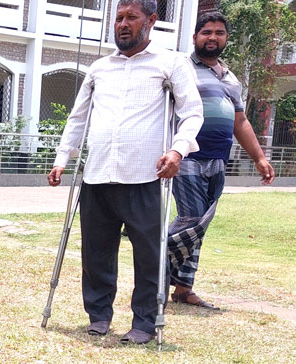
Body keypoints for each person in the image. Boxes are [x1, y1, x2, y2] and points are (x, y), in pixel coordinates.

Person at [47, 0, 203, 345]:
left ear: (151, 20)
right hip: (97, 175)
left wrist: (178, 149)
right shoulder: (100, 68)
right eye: (118, 18)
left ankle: (145, 323)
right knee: (96, 253)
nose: (122, 24)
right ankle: (99, 316)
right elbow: (78, 118)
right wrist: (62, 159)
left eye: (131, 17)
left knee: (148, 255)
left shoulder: (171, 63)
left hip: (145, 177)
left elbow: (192, 112)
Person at [169, 11, 275, 310]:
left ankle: (183, 288)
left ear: (226, 39)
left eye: (218, 32)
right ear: (195, 37)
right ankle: (154, 269)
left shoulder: (230, 77)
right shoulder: (181, 68)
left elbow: (240, 121)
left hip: (218, 160)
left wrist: (259, 158)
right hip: (186, 155)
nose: (212, 37)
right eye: (206, 32)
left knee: (202, 224)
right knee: (192, 219)